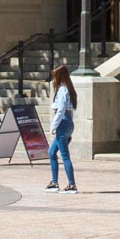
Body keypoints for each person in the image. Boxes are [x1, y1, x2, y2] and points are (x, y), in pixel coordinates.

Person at [45, 64, 78, 193]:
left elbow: (61, 110)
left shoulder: (63, 90)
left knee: (64, 156)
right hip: (67, 122)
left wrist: (53, 126)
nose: (53, 80)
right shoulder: (67, 89)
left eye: (55, 77)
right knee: (51, 152)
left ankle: (72, 184)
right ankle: (54, 182)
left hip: (63, 123)